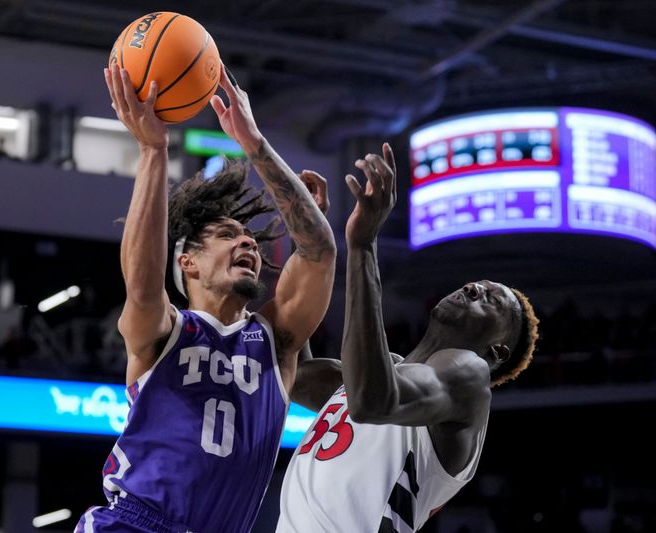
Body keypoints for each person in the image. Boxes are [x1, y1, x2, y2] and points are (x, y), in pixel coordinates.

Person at [75, 62, 336, 533]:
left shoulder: (274, 341)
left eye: (250, 239)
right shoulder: (165, 331)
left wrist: (252, 141)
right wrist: (153, 150)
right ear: (187, 262)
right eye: (226, 234)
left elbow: (318, 252)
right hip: (135, 524)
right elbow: (141, 281)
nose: (248, 243)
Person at [278, 143, 540, 532]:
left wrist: (363, 245)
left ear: (497, 351)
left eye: (492, 299)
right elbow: (290, 368)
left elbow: (372, 401)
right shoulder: (385, 371)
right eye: (475, 284)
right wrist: (310, 243)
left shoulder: (468, 378)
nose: (473, 289)